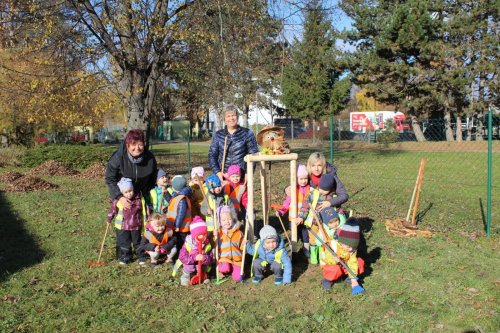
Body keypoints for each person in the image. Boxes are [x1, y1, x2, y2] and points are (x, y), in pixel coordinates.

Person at [297, 173, 347, 265]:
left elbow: (338, 210)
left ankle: (323, 257)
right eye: (321, 188)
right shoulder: (313, 194)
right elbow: (305, 206)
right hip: (314, 222)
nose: (322, 191)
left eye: (325, 189)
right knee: (313, 240)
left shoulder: (332, 197)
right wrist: (301, 216)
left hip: (326, 224)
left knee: (324, 240)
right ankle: (313, 257)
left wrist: (342, 219)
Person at [105, 129, 158, 210]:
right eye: (133, 144)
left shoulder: (150, 157)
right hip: (124, 197)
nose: (137, 148)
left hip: (144, 196)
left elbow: (154, 177)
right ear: (127, 145)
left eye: (140, 144)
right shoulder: (118, 158)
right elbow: (110, 179)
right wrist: (120, 197)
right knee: (129, 222)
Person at [208, 105, 259, 183]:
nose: (231, 118)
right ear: (224, 119)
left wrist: (248, 173)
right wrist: (217, 172)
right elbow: (212, 155)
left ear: (237, 117)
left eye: (233, 115)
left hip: (241, 176)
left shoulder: (247, 133)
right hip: (224, 177)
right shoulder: (218, 135)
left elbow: (253, 155)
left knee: (241, 195)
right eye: (228, 116)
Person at [106, 177, 148, 265]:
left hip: (136, 225)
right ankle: (126, 257)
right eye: (126, 192)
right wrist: (109, 219)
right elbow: (112, 210)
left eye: (130, 191)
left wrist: (147, 219)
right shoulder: (118, 201)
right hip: (122, 226)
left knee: (137, 242)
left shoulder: (139, 199)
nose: (129, 194)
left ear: (133, 189)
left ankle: (141, 256)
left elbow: (145, 209)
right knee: (124, 242)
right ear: (121, 192)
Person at [318, 220, 365, 295]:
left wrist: (353, 279)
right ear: (341, 242)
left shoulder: (352, 249)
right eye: (348, 247)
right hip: (331, 265)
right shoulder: (332, 245)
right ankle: (327, 280)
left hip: (344, 266)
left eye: (353, 247)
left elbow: (352, 262)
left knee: (359, 262)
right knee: (335, 269)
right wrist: (335, 260)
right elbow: (326, 259)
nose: (351, 249)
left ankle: (349, 279)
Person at [275, 164, 311, 257]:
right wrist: (281, 211)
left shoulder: (309, 189)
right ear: (296, 178)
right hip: (294, 219)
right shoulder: (293, 190)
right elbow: (286, 204)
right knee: (294, 235)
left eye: (305, 178)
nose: (304, 181)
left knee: (305, 234)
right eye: (301, 179)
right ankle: (293, 250)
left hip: (305, 217)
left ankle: (306, 248)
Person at [177, 217, 214, 286]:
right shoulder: (188, 244)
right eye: (198, 235)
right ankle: (185, 277)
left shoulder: (207, 244)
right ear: (194, 235)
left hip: (201, 266)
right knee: (189, 267)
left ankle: (203, 276)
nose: (201, 237)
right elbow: (182, 257)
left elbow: (211, 258)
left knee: (205, 267)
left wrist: (204, 258)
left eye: (204, 235)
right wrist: (194, 258)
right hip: (190, 263)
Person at [165, 175, 192, 250]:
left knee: (181, 243)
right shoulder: (178, 195)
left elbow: (181, 214)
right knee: (178, 241)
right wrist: (166, 194)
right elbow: (172, 202)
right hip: (177, 226)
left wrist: (177, 225)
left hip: (181, 227)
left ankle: (182, 256)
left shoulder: (182, 199)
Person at [216, 205, 244, 281]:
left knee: (238, 278)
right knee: (225, 268)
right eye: (224, 220)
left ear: (233, 219)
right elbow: (213, 245)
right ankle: (222, 269)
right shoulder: (219, 233)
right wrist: (214, 237)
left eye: (229, 219)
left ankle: (233, 269)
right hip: (224, 258)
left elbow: (242, 246)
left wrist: (245, 244)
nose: (227, 222)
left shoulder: (238, 232)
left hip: (237, 259)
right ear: (220, 221)